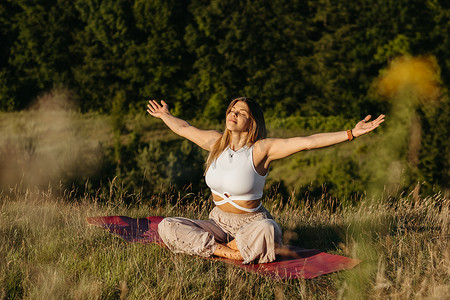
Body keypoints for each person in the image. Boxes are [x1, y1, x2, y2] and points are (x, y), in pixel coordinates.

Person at [146, 97, 385, 264]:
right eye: (231, 110)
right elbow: (183, 128)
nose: (233, 114)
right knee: (167, 225)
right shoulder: (215, 142)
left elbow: (308, 141)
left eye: (241, 112)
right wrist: (165, 115)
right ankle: (230, 252)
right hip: (218, 223)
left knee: (269, 230)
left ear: (252, 122)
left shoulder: (261, 150)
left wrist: (351, 133)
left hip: (251, 224)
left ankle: (214, 248)